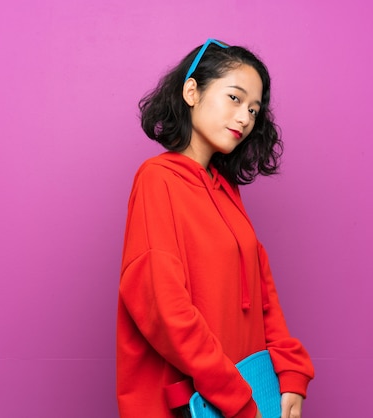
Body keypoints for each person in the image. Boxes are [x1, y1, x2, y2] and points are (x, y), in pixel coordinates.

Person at [117, 38, 314, 418]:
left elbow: (262, 294)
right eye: (235, 98)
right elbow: (163, 307)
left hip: (248, 394)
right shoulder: (158, 180)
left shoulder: (226, 190)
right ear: (192, 91)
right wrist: (234, 397)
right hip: (195, 403)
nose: (245, 117)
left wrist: (289, 371)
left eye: (254, 110)